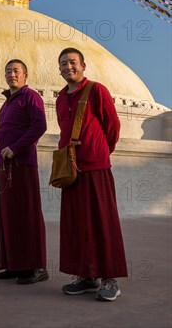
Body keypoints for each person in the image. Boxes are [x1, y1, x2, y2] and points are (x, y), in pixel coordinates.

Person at [55, 47, 128, 302]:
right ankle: (86, 275)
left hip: (96, 168)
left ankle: (110, 279)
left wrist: (99, 151)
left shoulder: (96, 90)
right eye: (63, 63)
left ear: (83, 66)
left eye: (73, 62)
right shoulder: (61, 98)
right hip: (71, 171)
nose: (68, 67)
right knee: (77, 225)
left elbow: (112, 127)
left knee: (101, 223)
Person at [0, 59, 48, 284]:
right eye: (8, 71)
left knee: (27, 215)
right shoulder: (6, 103)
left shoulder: (30, 96)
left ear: (25, 75)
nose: (11, 74)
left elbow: (39, 126)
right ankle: (13, 264)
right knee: (6, 216)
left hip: (22, 164)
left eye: (16, 71)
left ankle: (35, 267)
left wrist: (15, 149)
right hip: (2, 165)